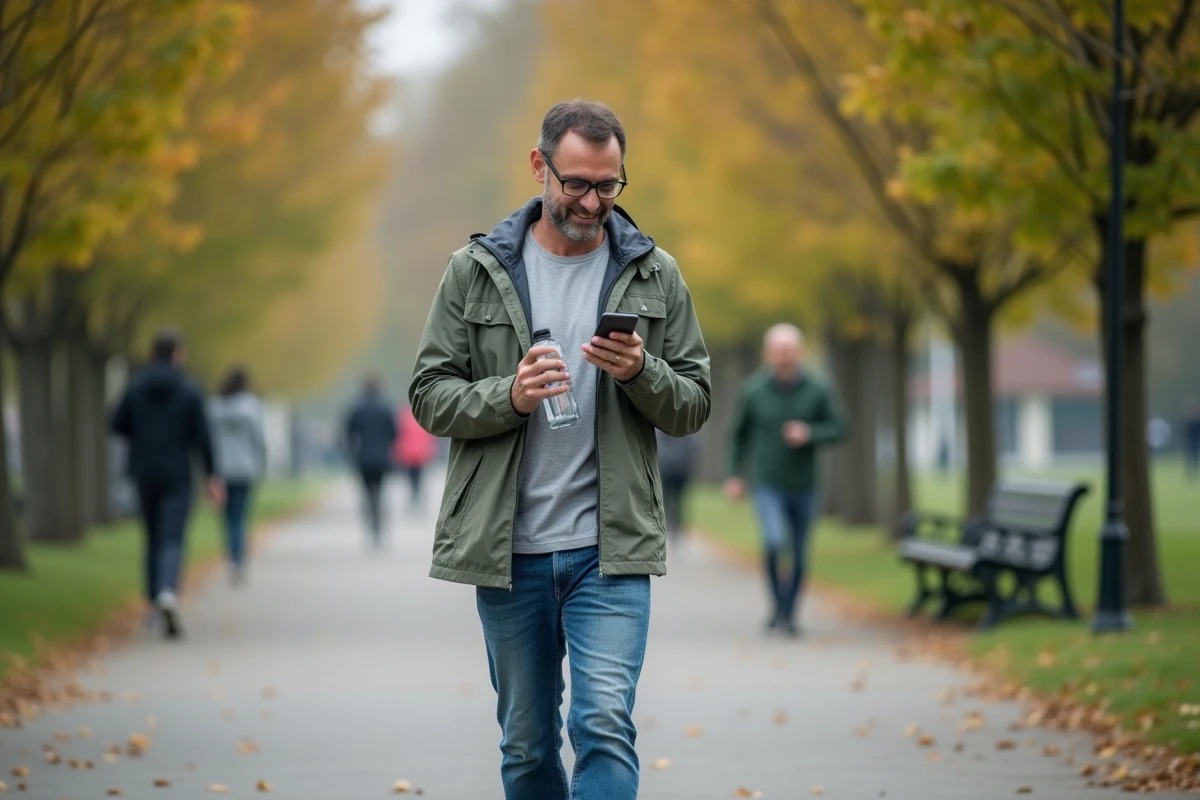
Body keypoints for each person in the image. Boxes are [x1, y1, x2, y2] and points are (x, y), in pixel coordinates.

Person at [409, 99, 711, 800]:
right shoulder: (475, 270)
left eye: (609, 186)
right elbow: (428, 395)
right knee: (526, 744)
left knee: (604, 722)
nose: (592, 201)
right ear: (539, 166)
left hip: (610, 548)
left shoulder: (654, 272)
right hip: (507, 549)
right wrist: (508, 397)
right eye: (576, 182)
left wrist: (641, 372)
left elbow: (693, 403)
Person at [724, 324, 847, 638]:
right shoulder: (753, 390)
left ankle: (789, 613)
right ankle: (777, 604)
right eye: (779, 351)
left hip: (805, 484)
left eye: (789, 351)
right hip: (767, 482)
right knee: (775, 540)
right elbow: (738, 436)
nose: (784, 357)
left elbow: (839, 428)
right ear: (769, 354)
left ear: (799, 353)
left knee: (801, 553)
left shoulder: (818, 388)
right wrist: (734, 476)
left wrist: (810, 433)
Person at [111, 329, 224, 639]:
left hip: (144, 471)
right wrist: (214, 475)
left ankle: (152, 603)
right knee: (172, 535)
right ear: (178, 354)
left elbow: (117, 423)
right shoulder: (189, 390)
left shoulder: (135, 387)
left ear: (152, 353)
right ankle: (167, 590)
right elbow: (203, 436)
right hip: (177, 471)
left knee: (152, 535)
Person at [208, 367, 267, 586]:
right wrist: (261, 461)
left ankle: (231, 556)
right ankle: (237, 558)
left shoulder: (214, 408)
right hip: (244, 468)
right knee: (240, 515)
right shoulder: (252, 407)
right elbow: (259, 438)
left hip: (221, 469)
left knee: (226, 517)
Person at [344, 374, 397, 547]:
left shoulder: (357, 408)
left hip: (363, 458)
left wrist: (352, 451)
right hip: (381, 458)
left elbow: (348, 433)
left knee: (366, 495)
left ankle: (370, 527)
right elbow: (394, 433)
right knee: (379, 494)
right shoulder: (386, 408)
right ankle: (378, 528)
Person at [393, 404, 437, 512]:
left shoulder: (404, 418)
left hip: (408, 455)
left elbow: (399, 436)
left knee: (411, 478)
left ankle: (414, 498)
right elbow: (429, 437)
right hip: (421, 454)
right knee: (419, 478)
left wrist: (398, 452)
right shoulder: (423, 417)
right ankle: (418, 498)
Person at [656, 429, 700, 539]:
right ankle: (673, 526)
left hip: (673, 470)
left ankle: (672, 526)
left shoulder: (660, 427)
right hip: (675, 470)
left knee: (673, 499)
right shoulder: (685, 428)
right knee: (672, 499)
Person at [1184, 398, 1200, 479]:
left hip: (1196, 442)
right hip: (1190, 443)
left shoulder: (1197, 421)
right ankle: (1190, 474)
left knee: (1195, 458)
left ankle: (1195, 473)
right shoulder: (1188, 421)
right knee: (1190, 459)